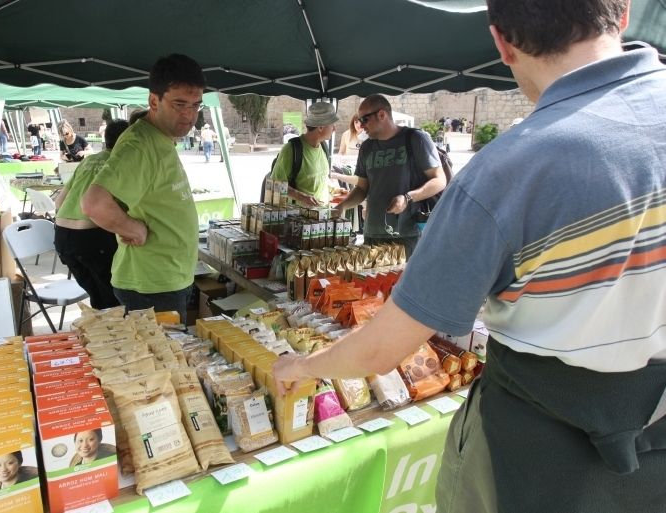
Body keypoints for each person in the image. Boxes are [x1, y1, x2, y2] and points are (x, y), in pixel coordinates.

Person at [274, 2, 666, 512]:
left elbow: (382, 350)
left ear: (501, 42)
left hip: (536, 452)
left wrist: (303, 364)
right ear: (623, 13)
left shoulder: (507, 172)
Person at [82, 53, 205, 323]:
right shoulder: (140, 145)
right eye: (179, 104)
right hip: (152, 287)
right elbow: (94, 203)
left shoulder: (160, 138)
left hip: (164, 281)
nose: (189, 115)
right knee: (165, 363)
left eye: (196, 105)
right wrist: (132, 228)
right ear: (154, 101)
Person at [332, 94, 445, 256]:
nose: (361, 126)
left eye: (364, 119)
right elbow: (362, 188)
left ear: (382, 115)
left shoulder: (416, 139)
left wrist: (407, 197)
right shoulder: (367, 148)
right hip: (372, 234)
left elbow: (440, 180)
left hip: (407, 234)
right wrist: (342, 206)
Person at [54, 119, 129, 310]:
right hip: (91, 237)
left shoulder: (89, 160)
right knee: (113, 300)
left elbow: (59, 202)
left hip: (63, 236)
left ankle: (102, 333)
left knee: (99, 297)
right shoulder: (122, 162)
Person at [270, 102, 338, 206]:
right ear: (320, 127)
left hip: (322, 217)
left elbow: (318, 179)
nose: (334, 129)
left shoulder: (323, 147)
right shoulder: (291, 149)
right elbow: (275, 184)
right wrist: (301, 196)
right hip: (299, 219)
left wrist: (332, 188)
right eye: (332, 125)